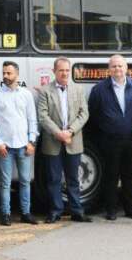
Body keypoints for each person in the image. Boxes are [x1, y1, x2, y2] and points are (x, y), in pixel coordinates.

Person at [88, 54, 132, 221]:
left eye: (120, 66)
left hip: (130, 139)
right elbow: (93, 114)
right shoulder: (99, 90)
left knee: (128, 175)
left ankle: (130, 209)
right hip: (109, 140)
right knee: (110, 176)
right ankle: (111, 210)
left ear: (126, 68)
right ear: (109, 69)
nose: (117, 69)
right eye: (114, 66)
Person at [36, 57, 92, 224]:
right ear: (54, 72)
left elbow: (84, 114)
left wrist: (70, 131)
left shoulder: (78, 89)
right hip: (53, 142)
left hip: (73, 141)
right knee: (53, 179)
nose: (65, 73)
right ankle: (55, 211)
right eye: (61, 70)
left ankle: (77, 211)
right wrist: (58, 133)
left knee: (74, 179)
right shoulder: (45, 91)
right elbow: (43, 116)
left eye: (67, 70)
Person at [0, 61, 39, 226]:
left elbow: (32, 119)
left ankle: (26, 213)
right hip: (5, 147)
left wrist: (32, 141)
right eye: (4, 73)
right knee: (5, 183)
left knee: (25, 181)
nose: (5, 76)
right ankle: (5, 214)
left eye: (9, 73)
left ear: (17, 74)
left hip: (24, 145)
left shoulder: (26, 94)